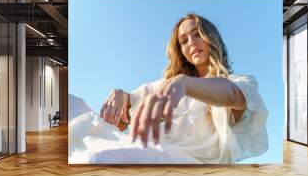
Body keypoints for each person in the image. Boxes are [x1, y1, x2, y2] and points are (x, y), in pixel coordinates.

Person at [69, 13, 268, 164]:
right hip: (152, 155)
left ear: (211, 38)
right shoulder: (165, 85)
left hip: (194, 170)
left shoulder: (239, 82)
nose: (192, 43)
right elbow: (128, 107)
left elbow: (231, 94)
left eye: (197, 34)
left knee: (98, 156)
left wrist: (184, 83)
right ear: (181, 51)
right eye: (184, 41)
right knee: (73, 107)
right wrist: (120, 95)